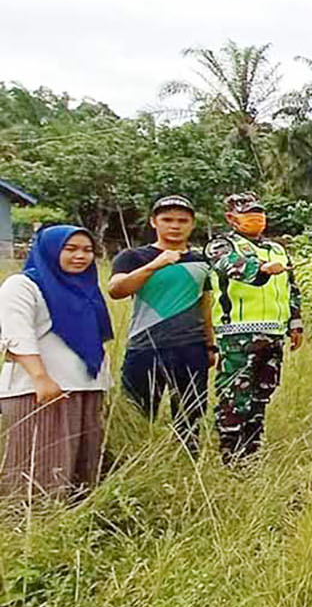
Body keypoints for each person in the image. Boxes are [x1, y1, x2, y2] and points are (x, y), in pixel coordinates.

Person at [0, 226, 113, 498]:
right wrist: (41, 378)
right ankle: (32, 530)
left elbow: (94, 340)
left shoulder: (87, 289)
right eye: (70, 249)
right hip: (40, 391)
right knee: (40, 468)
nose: (80, 256)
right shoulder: (24, 285)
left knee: (81, 470)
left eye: (87, 250)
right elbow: (16, 334)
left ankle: (76, 526)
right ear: (50, 250)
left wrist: (103, 384)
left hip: (85, 387)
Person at [108, 195, 215, 454]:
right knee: (138, 411)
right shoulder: (133, 256)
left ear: (192, 225)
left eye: (182, 221)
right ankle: (132, 459)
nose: (174, 226)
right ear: (153, 222)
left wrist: (210, 344)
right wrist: (155, 265)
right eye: (167, 220)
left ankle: (187, 462)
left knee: (191, 412)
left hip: (191, 347)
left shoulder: (201, 260)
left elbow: (206, 303)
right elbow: (116, 290)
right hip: (146, 346)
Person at [205, 193, 303, 462]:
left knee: (261, 395)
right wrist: (261, 268)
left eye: (259, 213)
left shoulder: (277, 249)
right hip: (238, 334)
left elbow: (291, 287)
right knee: (235, 395)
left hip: (273, 333)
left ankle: (251, 451)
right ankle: (230, 453)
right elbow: (232, 267)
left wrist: (295, 323)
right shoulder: (222, 245)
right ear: (231, 218)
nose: (256, 218)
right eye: (248, 213)